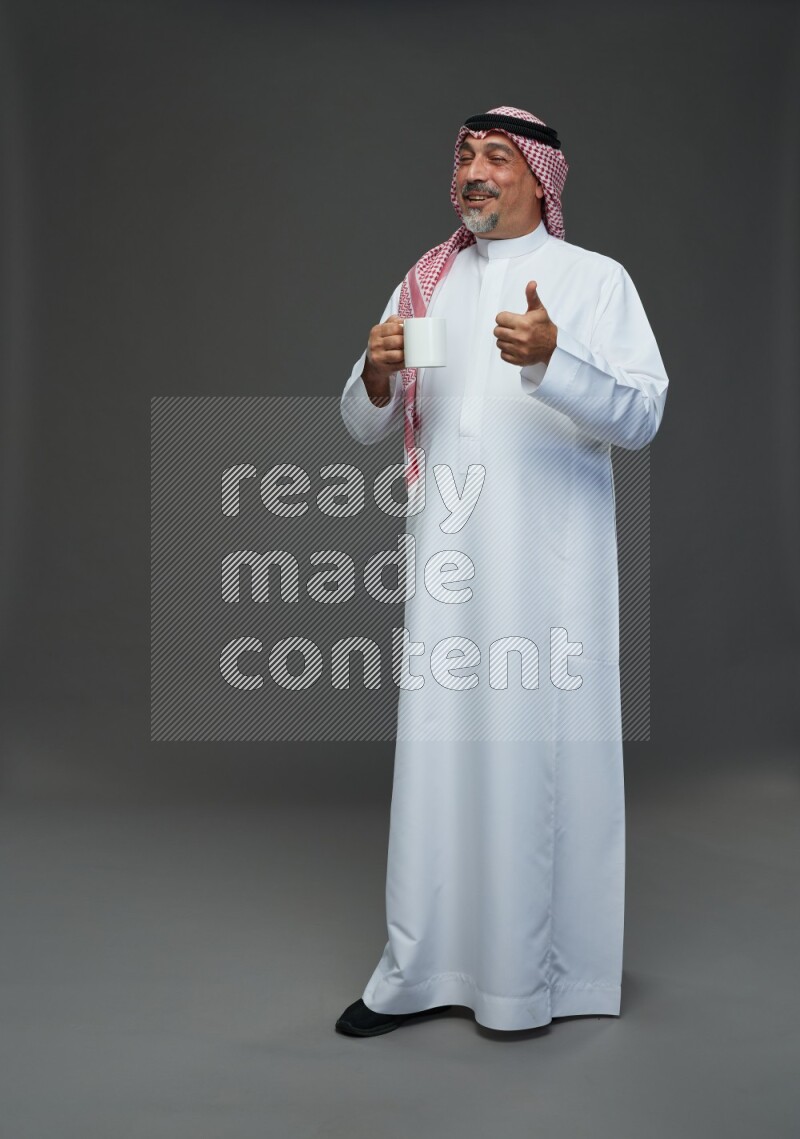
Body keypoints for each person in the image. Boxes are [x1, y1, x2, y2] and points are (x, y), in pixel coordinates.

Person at [335, 106, 669, 1036]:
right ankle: (421, 970)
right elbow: (366, 421)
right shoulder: (428, 281)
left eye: (495, 157)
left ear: (539, 178)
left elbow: (642, 417)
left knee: (534, 759)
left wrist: (556, 361)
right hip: (449, 573)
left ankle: (531, 982)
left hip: (548, 578)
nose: (473, 172)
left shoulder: (593, 281)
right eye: (464, 156)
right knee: (440, 756)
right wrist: (374, 373)